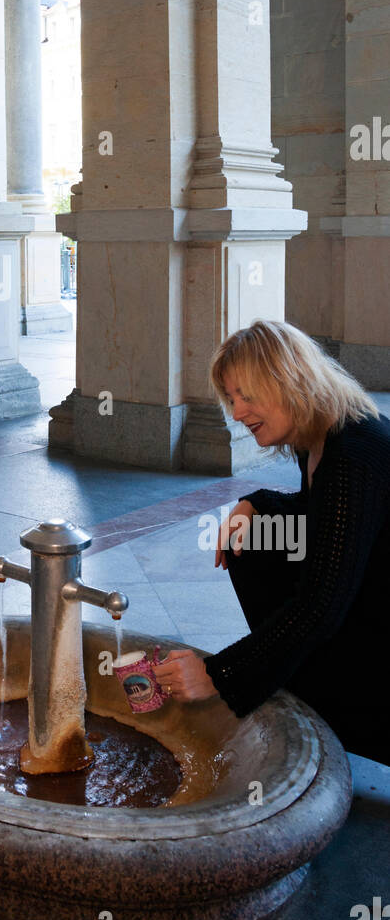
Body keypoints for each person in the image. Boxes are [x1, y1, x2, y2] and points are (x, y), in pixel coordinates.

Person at [152, 319, 390, 767]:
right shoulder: (322, 434)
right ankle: (295, 678)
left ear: (290, 381)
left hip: (376, 631)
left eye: (247, 395)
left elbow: (321, 606)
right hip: (368, 589)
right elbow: (324, 513)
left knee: (297, 594)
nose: (237, 413)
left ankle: (317, 697)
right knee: (254, 537)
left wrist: (218, 676)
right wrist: (256, 503)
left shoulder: (353, 454)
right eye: (231, 398)